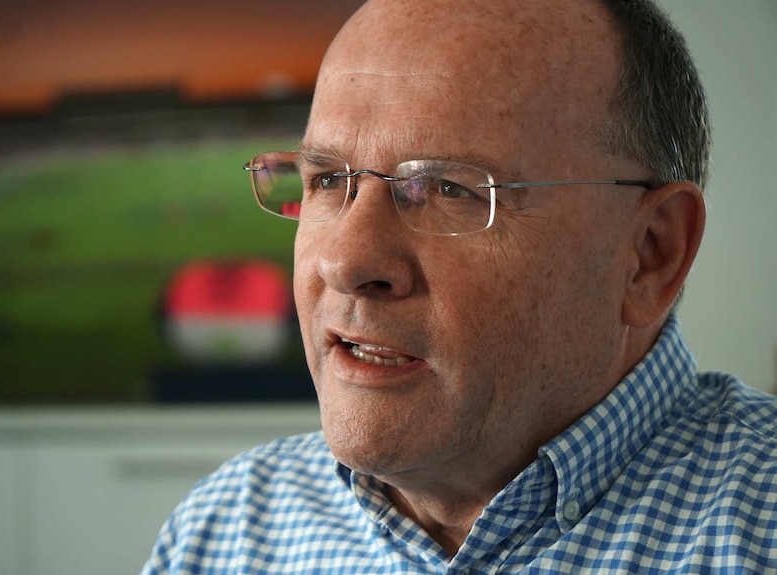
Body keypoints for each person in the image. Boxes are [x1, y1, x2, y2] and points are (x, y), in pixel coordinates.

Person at [142, 0, 777, 572]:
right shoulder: (220, 535)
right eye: (327, 180)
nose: (343, 261)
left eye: (448, 189)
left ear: (651, 254)